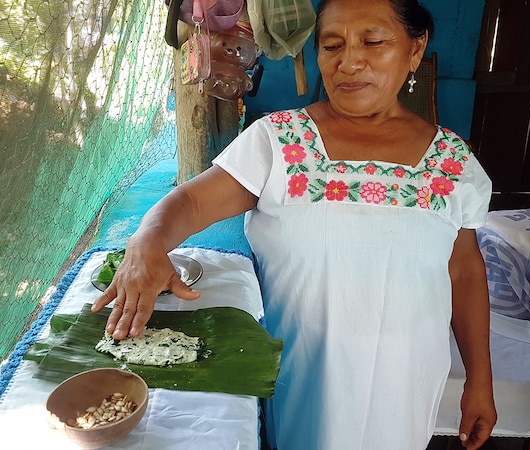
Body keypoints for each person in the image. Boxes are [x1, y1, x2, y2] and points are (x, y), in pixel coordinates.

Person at [92, 0, 497, 448]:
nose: (349, 61)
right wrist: (147, 242)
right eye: (332, 45)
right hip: (303, 379)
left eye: (373, 41)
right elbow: (189, 201)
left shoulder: (454, 162)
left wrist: (480, 380)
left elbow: (464, 270)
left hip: (408, 380)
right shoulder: (282, 141)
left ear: (415, 50)